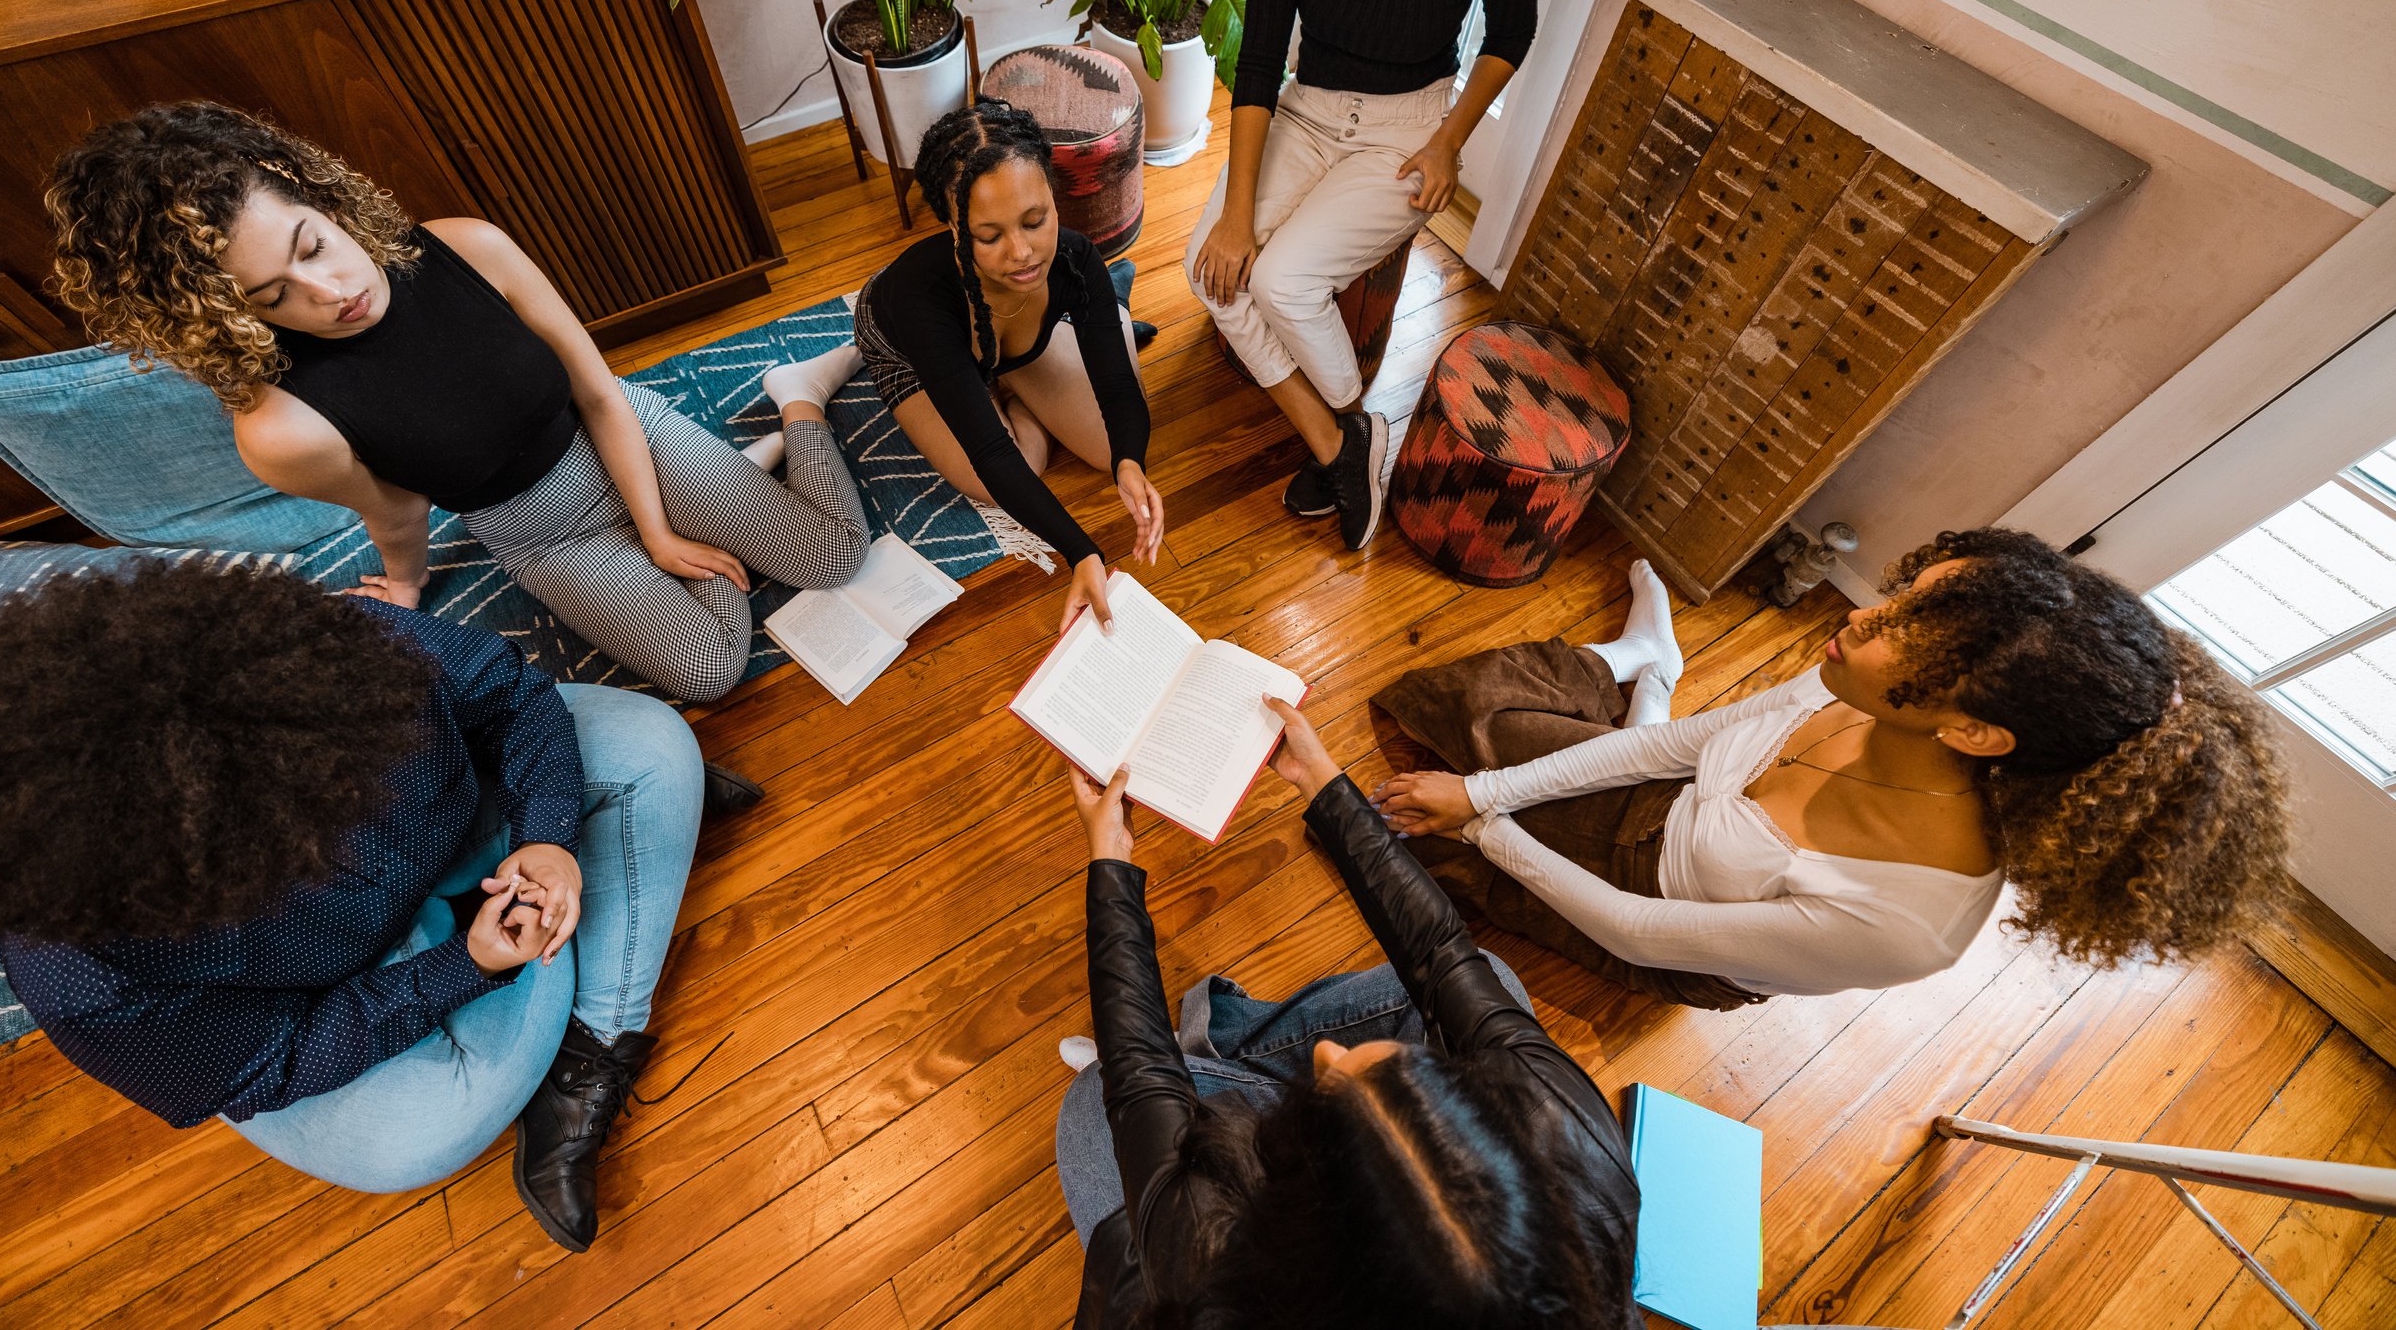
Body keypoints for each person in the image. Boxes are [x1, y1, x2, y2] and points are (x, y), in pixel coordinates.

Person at [0, 559, 727, 1251]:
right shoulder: (80, 971)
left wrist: (550, 835)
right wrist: (468, 964)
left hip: (468, 839)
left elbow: (514, 696)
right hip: (328, 1000)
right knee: (415, 1142)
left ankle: (591, 1035)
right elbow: (273, 1063)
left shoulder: (335, 642)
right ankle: (622, 871)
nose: (339, 852)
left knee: (651, 743)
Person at [47, 101, 872, 705]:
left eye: (315, 246)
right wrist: (405, 589)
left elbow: (594, 388)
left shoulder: (468, 247)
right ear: (226, 314)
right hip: (542, 531)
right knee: (707, 670)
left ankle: (794, 399)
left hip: (622, 435)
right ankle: (725, 497)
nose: (331, 291)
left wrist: (659, 532)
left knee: (836, 558)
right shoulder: (282, 431)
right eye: (273, 296)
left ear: (323, 202)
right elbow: (401, 513)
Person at [1371, 533, 2294, 1007]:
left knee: (1426, 852)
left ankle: (1645, 668)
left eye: (1904, 632)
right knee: (1466, 706)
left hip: (1657, 905)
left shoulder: (1909, 925)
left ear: (1972, 733)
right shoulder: (1846, 686)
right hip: (1672, 801)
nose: (1863, 618)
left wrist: (1483, 826)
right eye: (1905, 597)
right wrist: (1485, 797)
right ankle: (1645, 663)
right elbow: (1672, 751)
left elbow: (1641, 933)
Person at [1052, 697, 1639, 1329]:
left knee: (1094, 1105)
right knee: (1488, 979)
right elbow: (1444, 956)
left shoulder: (1220, 1280)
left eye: (1328, 1091)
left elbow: (1139, 1081)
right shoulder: (1580, 1152)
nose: (1325, 1057)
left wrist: (1110, 861)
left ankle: (1204, 1066)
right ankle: (1210, 1061)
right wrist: (1324, 784)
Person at [1186, 0, 1539, 550]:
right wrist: (1234, 217)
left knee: (1281, 284)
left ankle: (1347, 426)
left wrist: (1448, 141)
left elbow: (1513, 32)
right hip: (1307, 108)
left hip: (1408, 130)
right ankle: (1346, 436)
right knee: (1212, 269)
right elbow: (1262, 53)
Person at [856, 99, 1164, 634]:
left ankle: (1080, 325)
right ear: (954, 228)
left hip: (1010, 339)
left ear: (1052, 197)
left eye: (1035, 221)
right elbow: (991, 452)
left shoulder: (1073, 256)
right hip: (907, 346)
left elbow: (1116, 388)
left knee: (1106, 449)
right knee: (1017, 469)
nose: (1022, 253)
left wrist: (1130, 464)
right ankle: (1007, 377)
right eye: (989, 236)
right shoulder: (918, 300)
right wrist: (1081, 551)